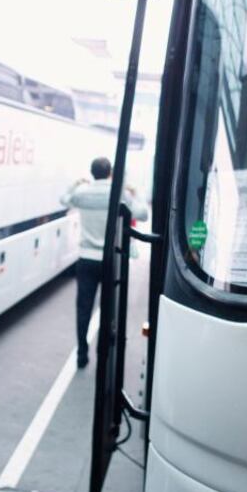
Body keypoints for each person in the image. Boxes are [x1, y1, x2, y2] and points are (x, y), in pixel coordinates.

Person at [60, 157, 147, 369]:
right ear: (109, 173)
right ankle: (102, 356)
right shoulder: (119, 194)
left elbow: (64, 200)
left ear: (92, 173)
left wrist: (75, 184)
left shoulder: (83, 194)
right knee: (108, 309)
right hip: (110, 261)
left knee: (83, 309)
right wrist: (137, 193)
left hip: (86, 260)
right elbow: (143, 214)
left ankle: (82, 354)